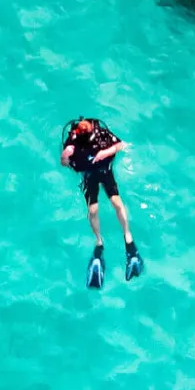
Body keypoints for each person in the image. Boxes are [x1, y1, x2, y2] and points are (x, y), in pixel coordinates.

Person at [60, 117, 142, 288]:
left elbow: (122, 145)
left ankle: (128, 236)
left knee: (117, 202)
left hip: (104, 170)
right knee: (93, 210)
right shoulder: (72, 142)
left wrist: (106, 152)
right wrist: (65, 156)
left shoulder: (101, 134)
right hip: (89, 175)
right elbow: (64, 163)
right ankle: (99, 242)